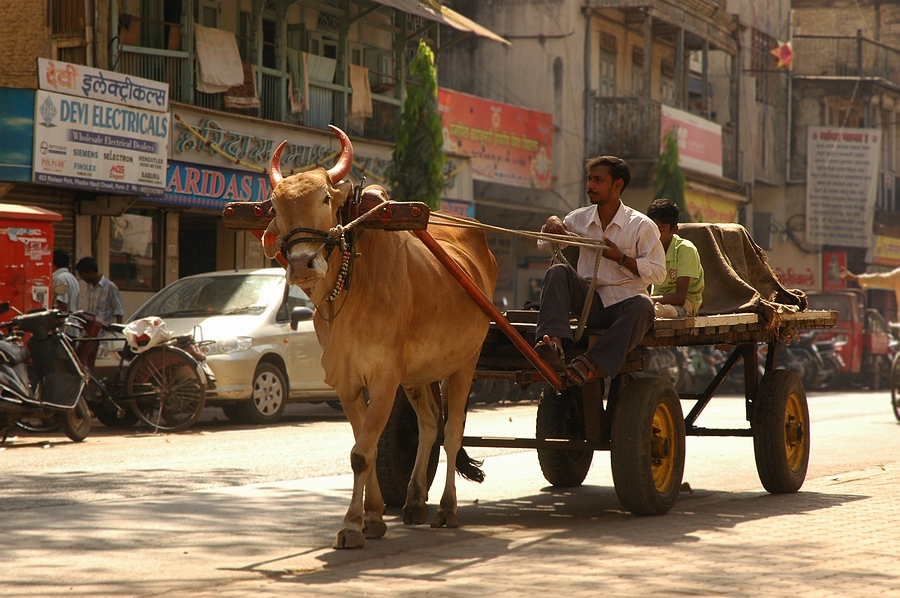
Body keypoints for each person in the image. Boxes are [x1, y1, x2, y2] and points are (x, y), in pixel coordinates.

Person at [534, 155, 666, 387]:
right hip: (589, 302)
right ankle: (553, 346)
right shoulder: (578, 219)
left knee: (644, 306)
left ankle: (590, 363)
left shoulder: (641, 226)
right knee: (558, 272)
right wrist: (552, 223)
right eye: (589, 179)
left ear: (617, 186)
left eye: (598, 180)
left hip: (625, 304)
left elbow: (658, 273)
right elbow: (545, 245)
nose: (590, 186)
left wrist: (621, 258)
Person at [646, 198, 704, 318]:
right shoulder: (647, 248)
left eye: (660, 230)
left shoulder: (685, 250)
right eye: (651, 229)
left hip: (684, 304)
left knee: (657, 312)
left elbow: (680, 298)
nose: (654, 235)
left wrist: (646, 300)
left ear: (674, 229)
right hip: (654, 300)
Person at [75, 257, 125, 326]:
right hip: (91, 332)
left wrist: (118, 333)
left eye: (82, 275)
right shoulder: (89, 287)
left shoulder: (110, 287)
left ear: (90, 273)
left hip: (104, 333)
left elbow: (119, 311)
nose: (81, 278)